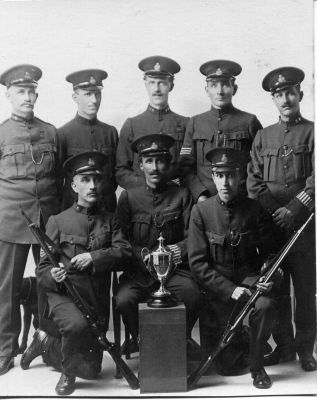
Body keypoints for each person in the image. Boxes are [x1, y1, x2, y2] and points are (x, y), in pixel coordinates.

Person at [21, 151, 132, 395]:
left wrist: (94, 257)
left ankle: (46, 342)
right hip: (65, 296)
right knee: (76, 326)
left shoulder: (111, 221)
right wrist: (54, 275)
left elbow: (124, 252)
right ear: (73, 186)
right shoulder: (58, 221)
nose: (92, 185)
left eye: (96, 180)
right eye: (85, 180)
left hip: (96, 299)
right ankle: (67, 374)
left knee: (92, 371)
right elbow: (43, 270)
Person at [188, 147, 279, 389]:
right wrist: (229, 290)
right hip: (216, 290)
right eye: (219, 175)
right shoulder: (201, 212)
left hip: (249, 282)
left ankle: (257, 368)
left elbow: (271, 254)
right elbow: (197, 264)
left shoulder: (254, 209)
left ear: (239, 177)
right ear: (213, 177)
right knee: (225, 367)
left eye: (230, 175)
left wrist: (269, 277)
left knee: (266, 305)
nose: (225, 182)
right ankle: (246, 339)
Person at [247, 66, 316, 372]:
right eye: (279, 94)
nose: (285, 99)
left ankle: (305, 350)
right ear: (273, 100)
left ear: (300, 94)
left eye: (290, 92)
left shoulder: (313, 131)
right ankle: (284, 347)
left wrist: (295, 209)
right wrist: (276, 213)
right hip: (274, 228)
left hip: (302, 226)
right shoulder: (263, 136)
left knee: (304, 290)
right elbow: (253, 181)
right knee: (276, 288)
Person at [0, 64, 62, 376]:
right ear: (8, 94)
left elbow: (61, 177)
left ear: (36, 93)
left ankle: (48, 342)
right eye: (20, 91)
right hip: (11, 219)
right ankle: (5, 349)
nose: (27, 96)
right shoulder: (1, 134)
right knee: (6, 288)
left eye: (30, 91)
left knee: (51, 282)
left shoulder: (50, 132)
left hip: (47, 219)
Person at [115, 134, 201, 354]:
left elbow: (193, 236)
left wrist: (178, 250)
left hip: (174, 272)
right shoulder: (128, 197)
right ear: (140, 165)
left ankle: (180, 339)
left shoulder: (182, 195)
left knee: (193, 294)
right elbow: (120, 239)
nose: (154, 168)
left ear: (168, 163)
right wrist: (141, 256)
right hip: (139, 272)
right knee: (124, 299)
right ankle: (141, 339)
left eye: (160, 161)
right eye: (149, 161)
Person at [179, 59, 262, 203]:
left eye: (225, 85)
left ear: (234, 89)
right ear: (206, 90)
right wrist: (200, 194)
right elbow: (185, 167)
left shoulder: (249, 121)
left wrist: (250, 197)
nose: (220, 91)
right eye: (213, 85)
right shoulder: (195, 122)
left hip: (241, 202)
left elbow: (261, 164)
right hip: (204, 202)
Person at [115, 55, 188, 189]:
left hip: (176, 199)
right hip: (141, 202)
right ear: (145, 85)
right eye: (152, 82)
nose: (156, 89)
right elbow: (121, 171)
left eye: (162, 83)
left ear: (171, 85)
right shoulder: (132, 125)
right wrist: (147, 186)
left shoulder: (186, 124)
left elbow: (190, 167)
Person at [58, 69, 118, 212]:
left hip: (106, 211)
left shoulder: (110, 132)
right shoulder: (63, 133)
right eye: (87, 94)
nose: (94, 100)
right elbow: (58, 180)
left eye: (97, 94)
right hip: (75, 211)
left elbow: (116, 174)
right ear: (75, 97)